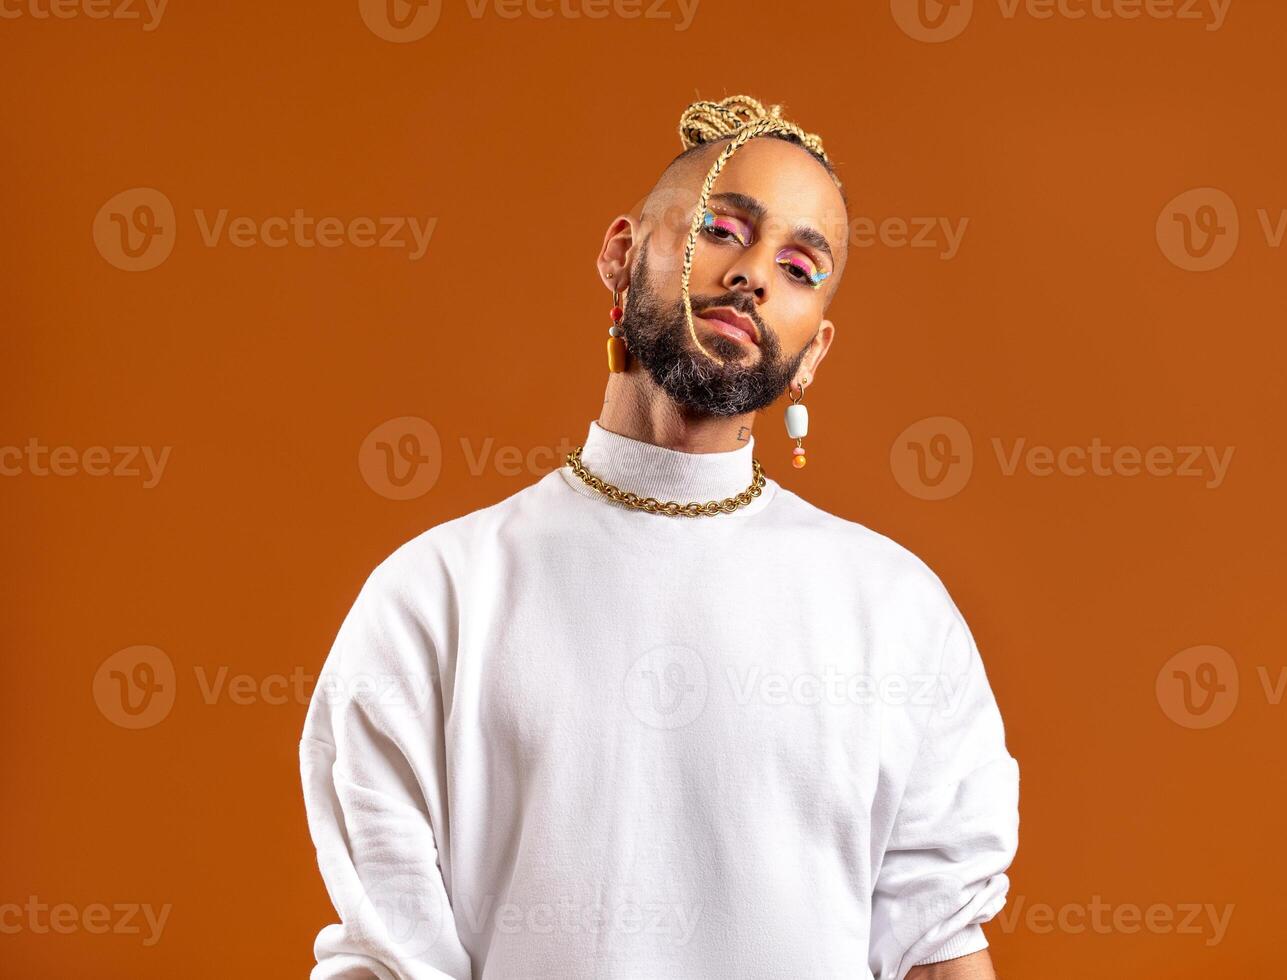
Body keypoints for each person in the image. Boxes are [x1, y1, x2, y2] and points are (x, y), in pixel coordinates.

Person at [299, 94, 1020, 980]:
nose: (754, 275)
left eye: (800, 268)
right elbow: (391, 956)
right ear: (621, 253)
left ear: (816, 350)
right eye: (722, 228)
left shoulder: (898, 610)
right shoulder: (434, 599)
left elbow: (937, 947)